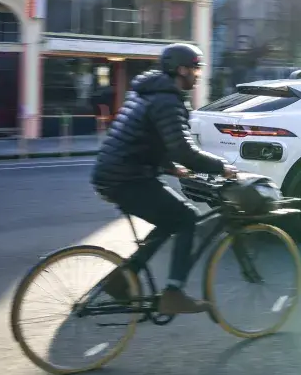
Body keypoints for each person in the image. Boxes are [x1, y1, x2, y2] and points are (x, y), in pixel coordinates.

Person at [91, 43, 236, 315]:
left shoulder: (148, 92)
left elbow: (146, 138)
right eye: (195, 69)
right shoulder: (168, 100)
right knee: (187, 218)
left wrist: (171, 167)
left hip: (114, 173)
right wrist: (221, 167)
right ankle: (174, 293)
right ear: (181, 70)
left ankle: (122, 279)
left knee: (170, 220)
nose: (198, 75)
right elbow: (183, 149)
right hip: (127, 177)